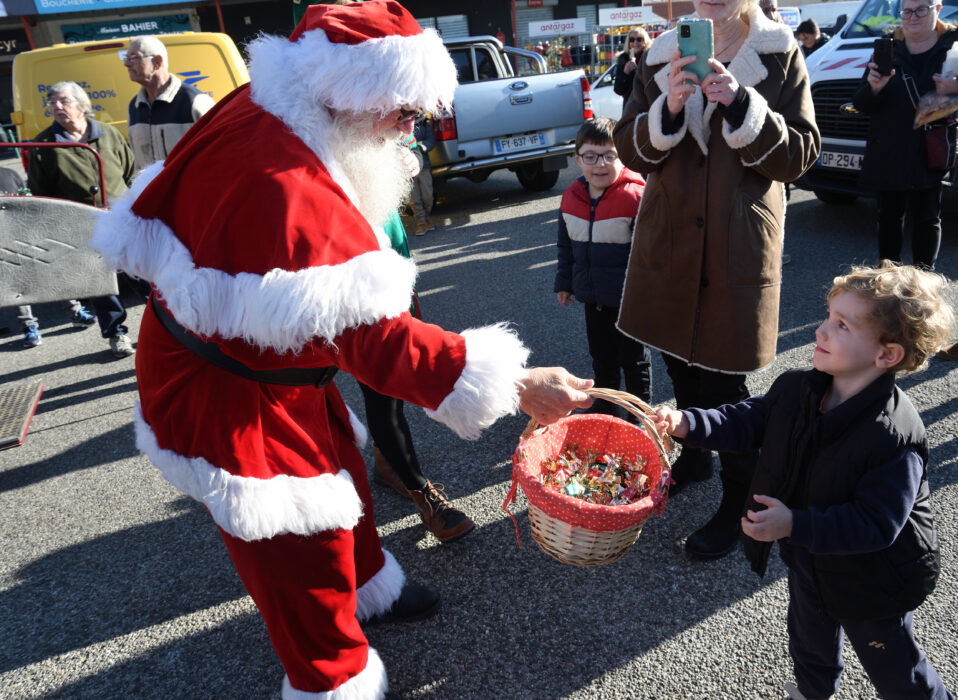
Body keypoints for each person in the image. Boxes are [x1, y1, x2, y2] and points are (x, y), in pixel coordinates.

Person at [90, 3, 592, 697]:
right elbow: (374, 340)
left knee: (346, 476)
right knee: (297, 543)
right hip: (223, 384)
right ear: (352, 93)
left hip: (265, 358)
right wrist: (516, 383)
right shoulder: (285, 183)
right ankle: (330, 676)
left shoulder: (288, 110)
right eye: (405, 112)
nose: (416, 128)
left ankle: (368, 588)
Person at [652, 262, 954, 700]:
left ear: (886, 355)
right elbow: (749, 419)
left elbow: (876, 524)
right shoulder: (799, 389)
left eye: (842, 325)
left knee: (894, 668)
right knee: (810, 639)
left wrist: (795, 523)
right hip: (811, 560)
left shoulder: (893, 436)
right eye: (829, 318)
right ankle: (813, 691)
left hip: (872, 579)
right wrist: (686, 422)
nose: (821, 331)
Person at [612, 0, 820, 560]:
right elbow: (629, 146)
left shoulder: (778, 52)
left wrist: (740, 103)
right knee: (678, 357)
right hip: (673, 235)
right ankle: (695, 454)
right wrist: (669, 110)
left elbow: (801, 153)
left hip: (736, 240)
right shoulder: (660, 56)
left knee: (725, 381)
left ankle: (740, 501)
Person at [364, 207, 475, 542]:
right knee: (380, 389)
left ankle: (387, 464)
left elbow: (410, 151)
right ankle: (423, 495)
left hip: (393, 272)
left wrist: (412, 156)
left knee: (394, 392)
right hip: (357, 293)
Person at [24, 81, 136, 357]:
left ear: (82, 105)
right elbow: (41, 192)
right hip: (82, 224)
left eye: (63, 101)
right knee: (99, 285)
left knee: (143, 275)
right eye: (52, 103)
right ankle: (117, 334)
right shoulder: (45, 145)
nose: (57, 107)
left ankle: (170, 328)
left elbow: (130, 173)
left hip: (122, 219)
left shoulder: (108, 134)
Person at [852, 0, 958, 272]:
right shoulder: (889, 47)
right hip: (889, 147)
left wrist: (956, 87)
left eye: (921, 9)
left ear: (938, 8)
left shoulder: (953, 44)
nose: (912, 17)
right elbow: (862, 102)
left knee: (927, 219)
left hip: (930, 147)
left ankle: (924, 286)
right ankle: (889, 285)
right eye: (907, 11)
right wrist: (874, 87)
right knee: (888, 218)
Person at [555, 117, 651, 412]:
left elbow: (648, 255)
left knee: (634, 361)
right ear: (577, 160)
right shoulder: (571, 198)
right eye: (591, 157)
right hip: (593, 300)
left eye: (610, 156)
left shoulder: (636, 196)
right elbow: (565, 246)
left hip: (630, 301)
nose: (600, 164)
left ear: (623, 158)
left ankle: (639, 416)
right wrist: (565, 282)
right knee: (602, 359)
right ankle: (607, 412)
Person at [125, 35, 215, 171]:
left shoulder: (195, 102)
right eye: (126, 58)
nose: (126, 64)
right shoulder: (134, 107)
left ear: (157, 62)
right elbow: (137, 165)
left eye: (134, 57)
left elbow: (219, 151)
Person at [407, 112, 436, 235]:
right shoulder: (400, 127)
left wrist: (421, 146)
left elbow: (431, 140)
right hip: (408, 169)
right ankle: (421, 223)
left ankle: (427, 218)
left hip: (424, 165)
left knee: (428, 196)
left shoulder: (424, 125)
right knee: (415, 198)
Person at [614, 28, 651, 109]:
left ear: (645, 42)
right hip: (631, 107)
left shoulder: (651, 58)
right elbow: (618, 90)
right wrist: (625, 73)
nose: (635, 42)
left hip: (648, 105)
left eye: (639, 39)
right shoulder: (623, 60)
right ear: (628, 43)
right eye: (632, 40)